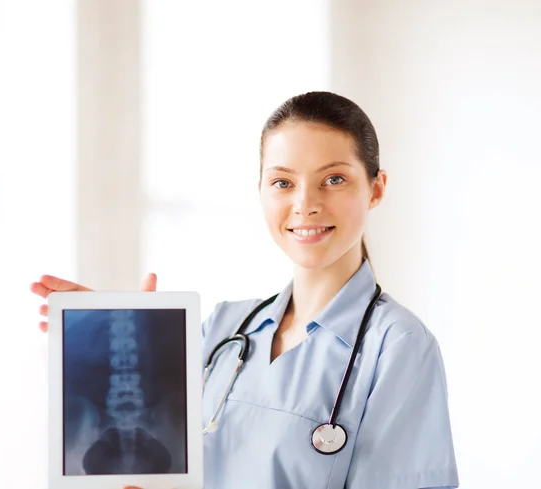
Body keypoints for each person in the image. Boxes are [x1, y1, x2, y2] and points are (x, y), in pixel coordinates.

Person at [31, 91, 459, 488]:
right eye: (283, 182)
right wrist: (123, 341)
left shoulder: (398, 346)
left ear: (376, 188)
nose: (305, 204)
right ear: (261, 191)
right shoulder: (222, 327)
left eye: (333, 180)